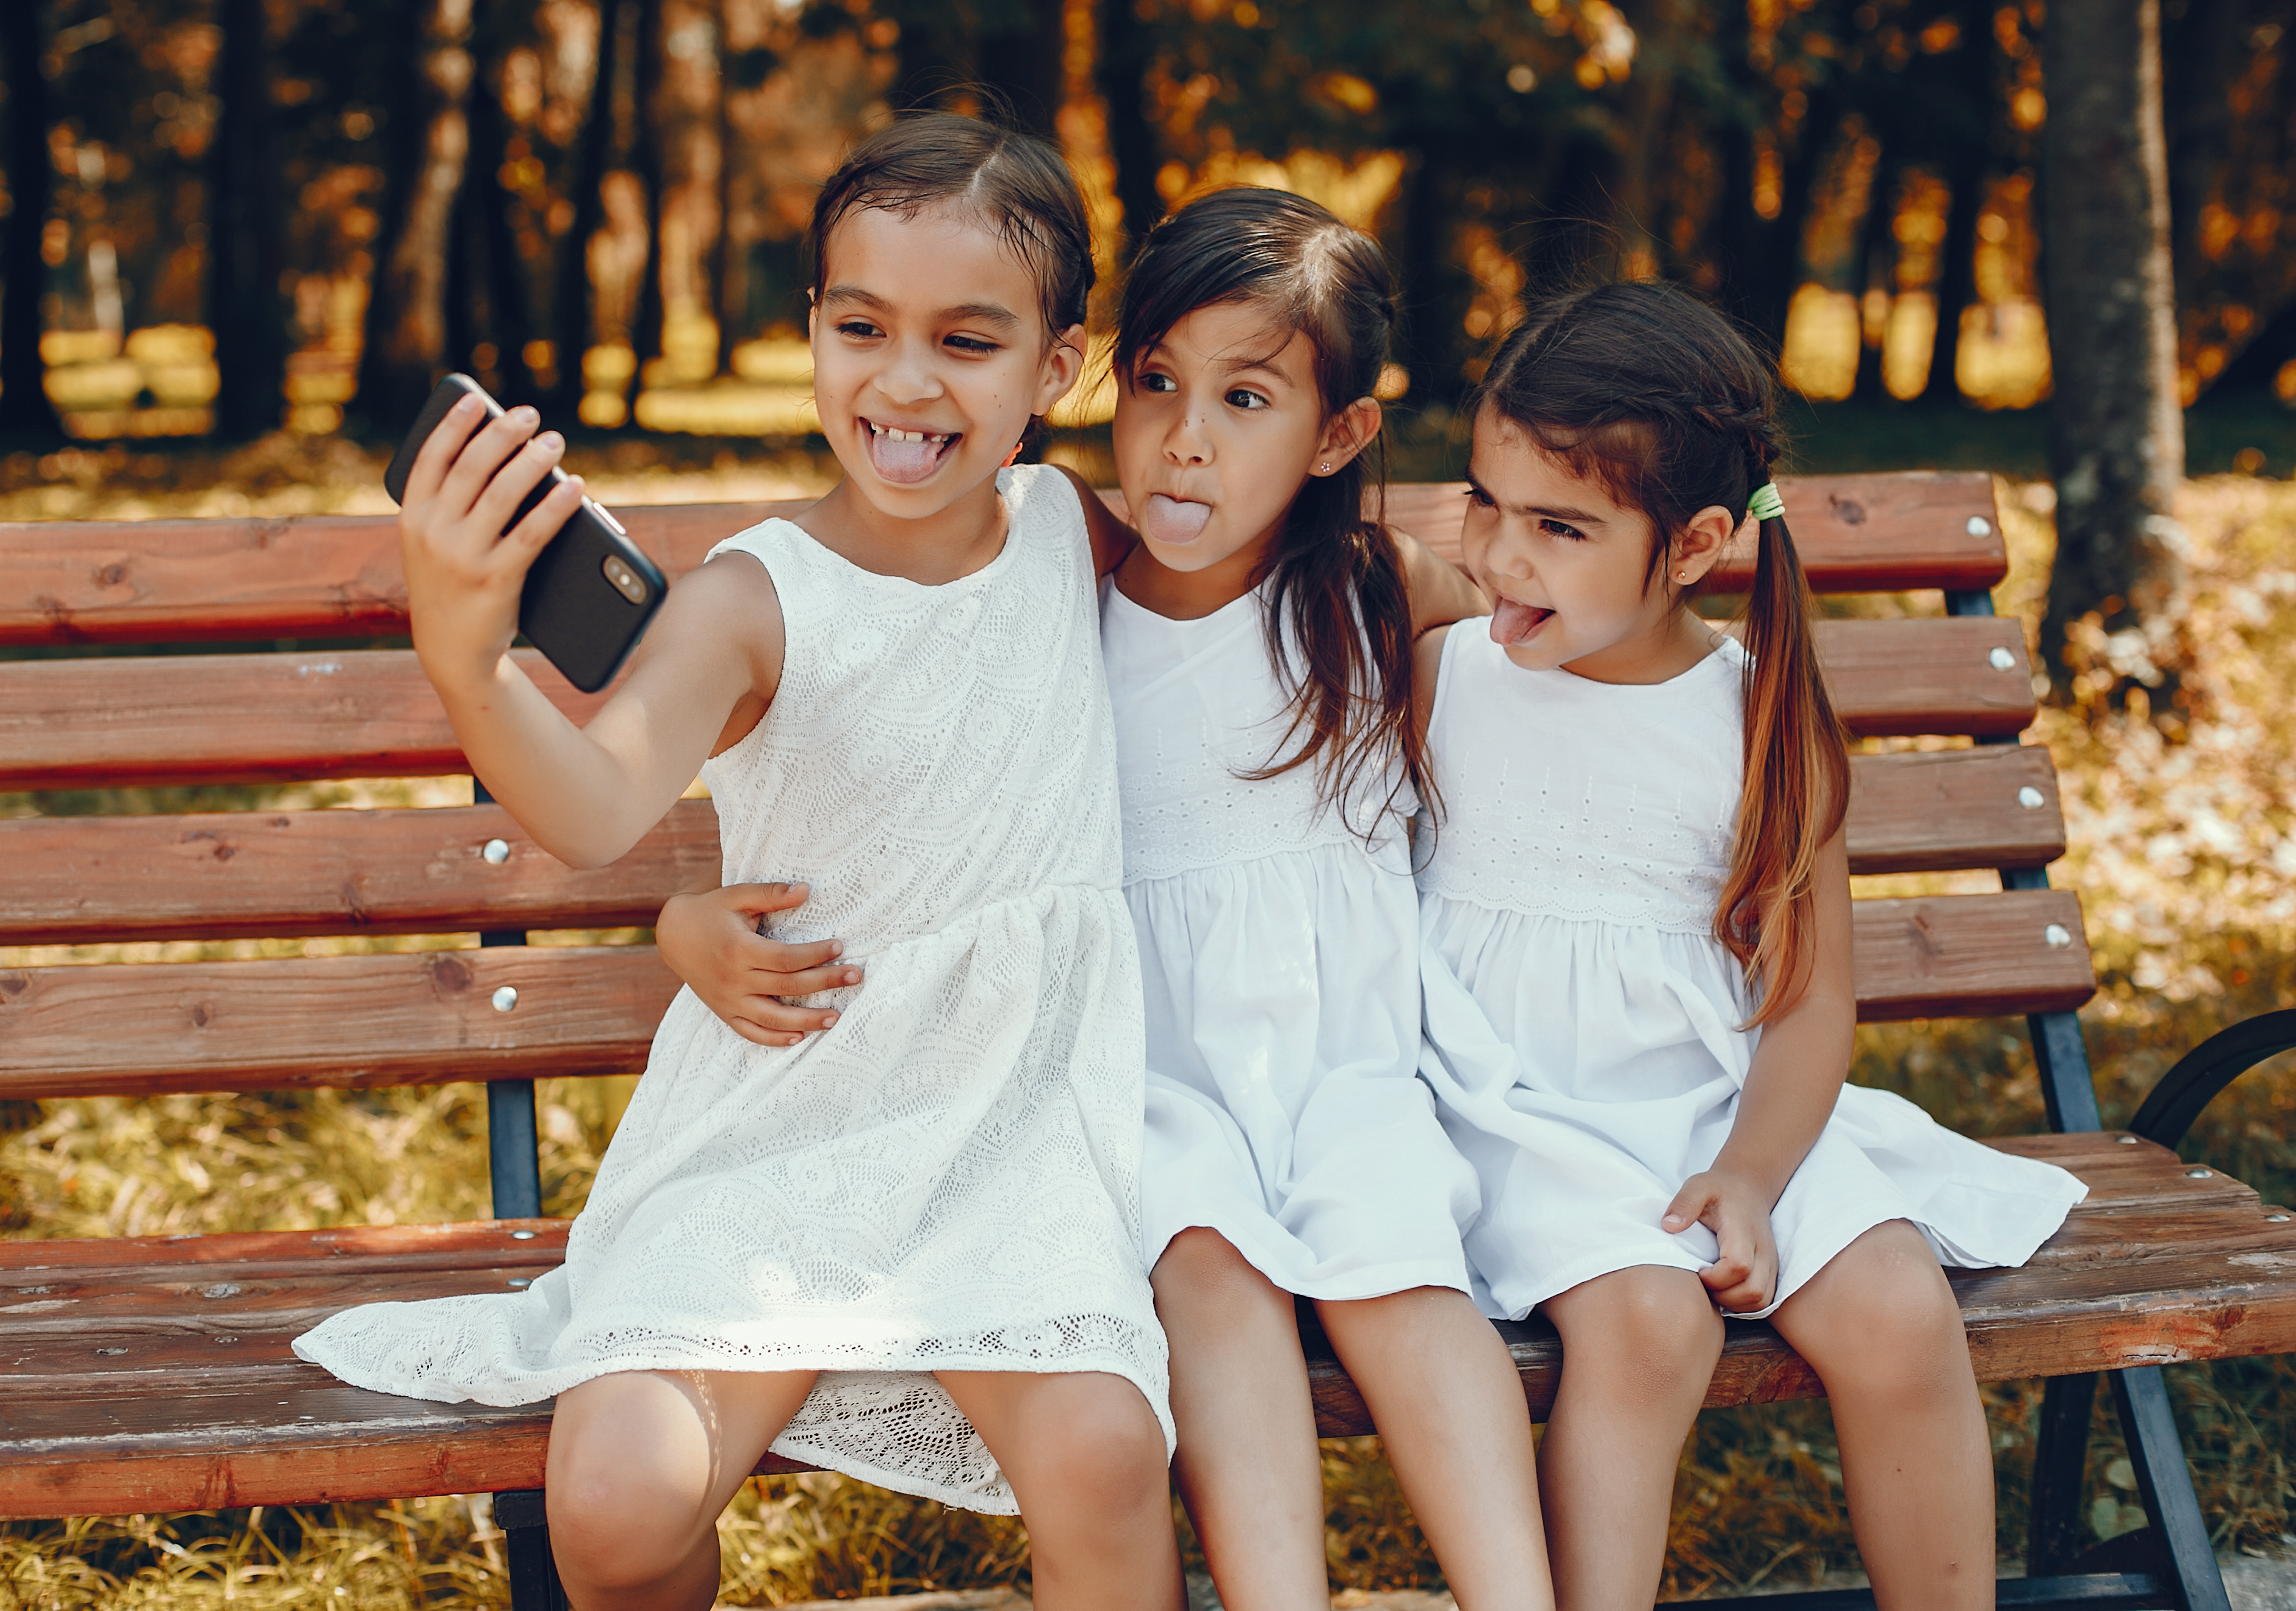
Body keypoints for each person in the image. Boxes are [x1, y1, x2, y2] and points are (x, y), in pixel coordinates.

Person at [292, 113, 1186, 1611]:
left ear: (1057, 369)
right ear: (813, 335)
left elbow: (1248, 600)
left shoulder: (1069, 538)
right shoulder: (751, 601)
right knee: (620, 1497)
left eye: (967, 341)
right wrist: (473, 666)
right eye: (862, 327)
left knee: (1102, 1452)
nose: (903, 381)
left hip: (1008, 1135)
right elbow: (591, 804)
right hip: (784, 1126)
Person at [663, 188, 1553, 1611]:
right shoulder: (1058, 587)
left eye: (1247, 397)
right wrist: (680, 919)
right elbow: (881, 804)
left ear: (1337, 438)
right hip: (1130, 1082)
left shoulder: (1381, 594)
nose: (1185, 437)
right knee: (1204, 1269)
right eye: (1156, 384)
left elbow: (1556, 658)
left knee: (1404, 1271)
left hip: (1355, 1071)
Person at [1413, 279, 2087, 1611]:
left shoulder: (1759, 716)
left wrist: (1752, 1174)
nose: (1501, 556)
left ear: (1697, 543)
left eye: (1560, 526)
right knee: (1646, 1326)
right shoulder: (1440, 676)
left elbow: (1809, 1002)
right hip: (1513, 1116)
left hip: (1723, 1111)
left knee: (1897, 1309)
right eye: (1485, 503)